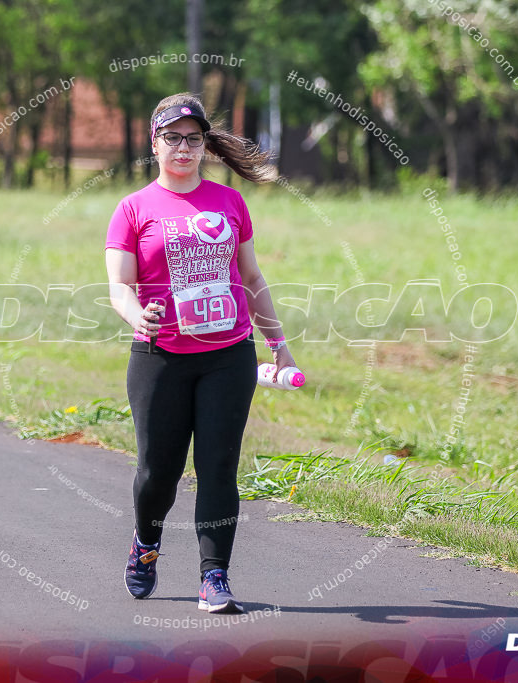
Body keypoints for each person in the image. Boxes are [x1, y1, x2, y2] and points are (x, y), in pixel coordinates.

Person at [104, 92, 300, 614]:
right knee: (156, 473)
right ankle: (146, 543)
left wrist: (279, 345)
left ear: (205, 145)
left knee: (218, 467)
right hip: (160, 356)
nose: (184, 148)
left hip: (228, 354)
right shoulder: (133, 209)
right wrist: (135, 314)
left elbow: (252, 278)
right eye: (173, 138)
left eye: (194, 139)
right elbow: (119, 287)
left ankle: (214, 577)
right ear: (155, 143)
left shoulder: (230, 203)